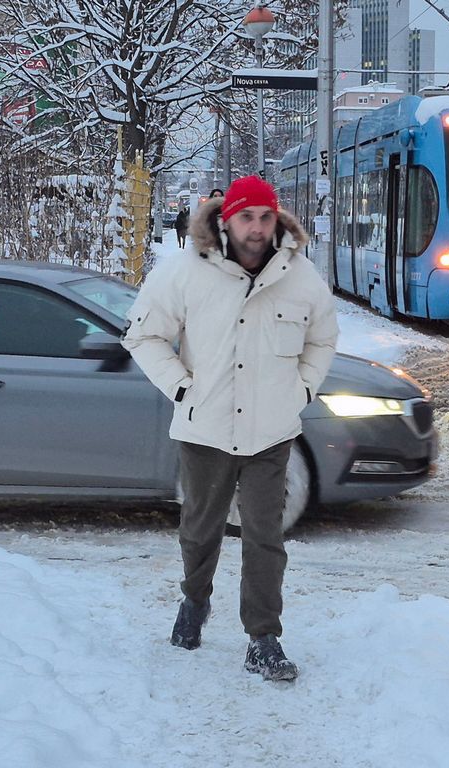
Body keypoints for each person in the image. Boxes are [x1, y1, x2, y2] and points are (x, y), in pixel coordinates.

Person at [122, 175, 338, 682]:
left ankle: (264, 638)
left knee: (265, 535)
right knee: (200, 529)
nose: (257, 228)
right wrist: (181, 388)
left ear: (276, 218)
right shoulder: (185, 273)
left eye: (265, 217)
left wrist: (301, 391)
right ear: (226, 218)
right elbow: (142, 334)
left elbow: (323, 340)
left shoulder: (301, 277)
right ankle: (194, 601)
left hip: (271, 433)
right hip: (205, 429)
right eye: (247, 217)